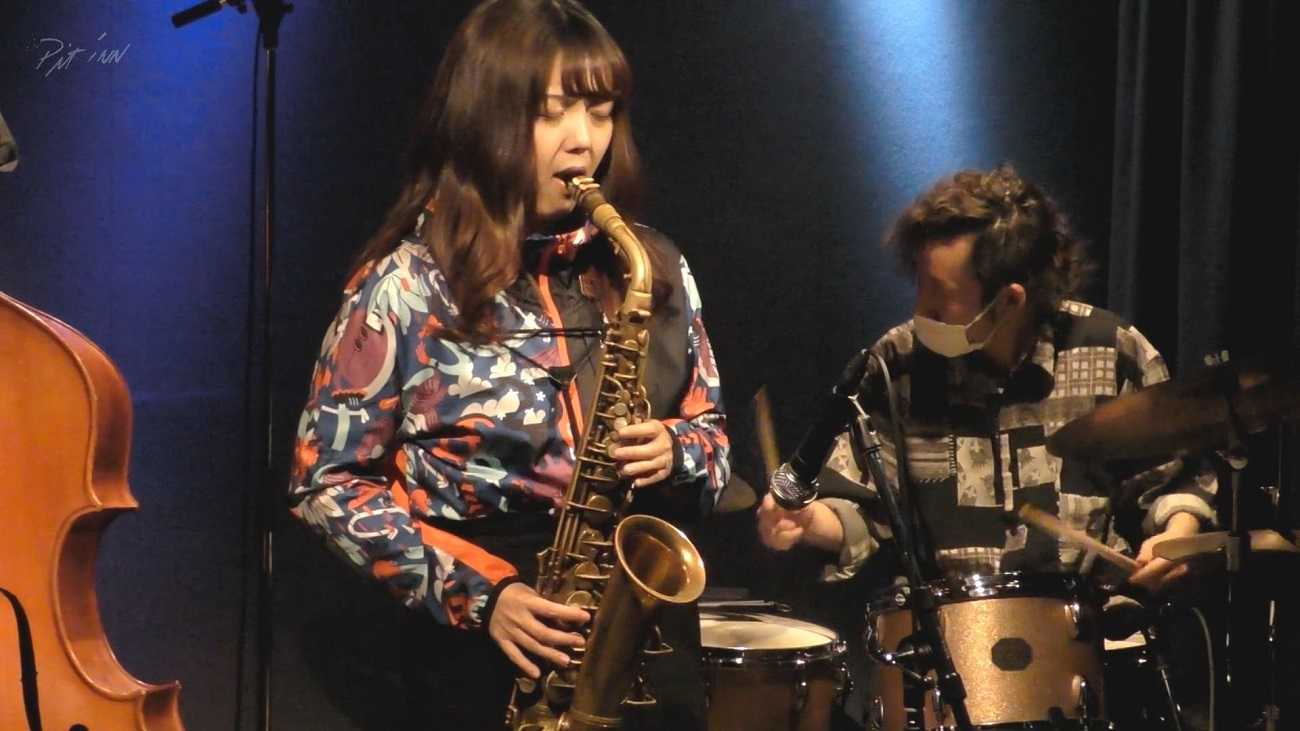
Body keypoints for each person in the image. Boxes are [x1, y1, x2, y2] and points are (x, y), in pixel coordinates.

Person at [287, 2, 729, 728]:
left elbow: (714, 445)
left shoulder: (651, 268)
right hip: (485, 647)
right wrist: (480, 594)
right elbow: (324, 483)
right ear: (486, 117)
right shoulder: (406, 286)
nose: (584, 141)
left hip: (643, 641)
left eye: (601, 112)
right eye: (554, 112)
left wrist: (676, 450)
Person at [757, 164, 1217, 595]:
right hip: (947, 627)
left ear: (1009, 301)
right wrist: (809, 522)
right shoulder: (897, 364)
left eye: (941, 297)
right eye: (920, 286)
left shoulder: (1112, 351)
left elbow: (1176, 480)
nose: (920, 311)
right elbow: (863, 507)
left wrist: (1176, 536)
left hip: (1090, 623)